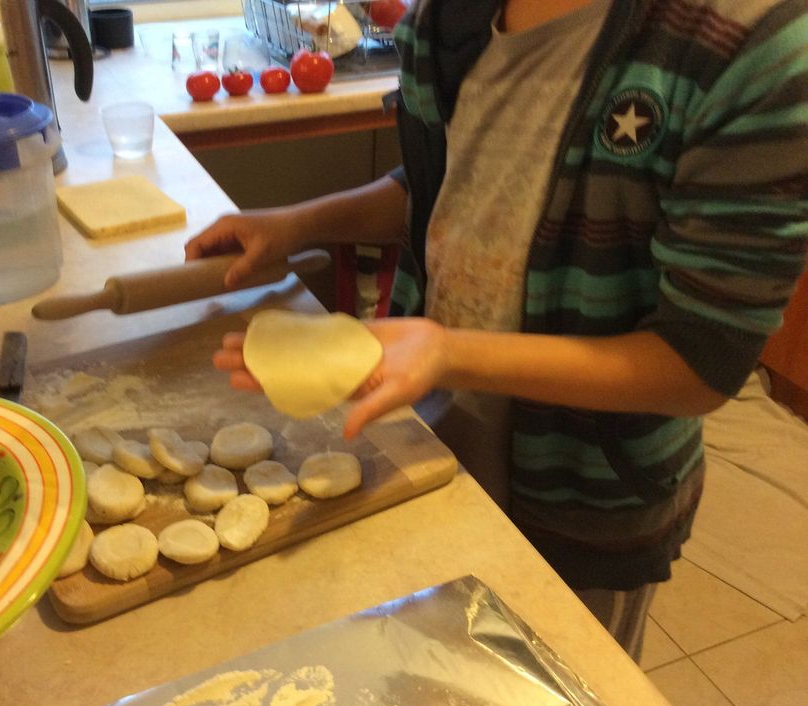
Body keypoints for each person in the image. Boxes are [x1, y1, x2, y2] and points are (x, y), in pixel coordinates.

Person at [185, 0, 808, 662]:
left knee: (557, 691)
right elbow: (449, 183)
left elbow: (698, 361)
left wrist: (450, 353)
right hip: (427, 454)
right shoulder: (449, 16)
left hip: (585, 501)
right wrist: (298, 223)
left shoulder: (753, 44)